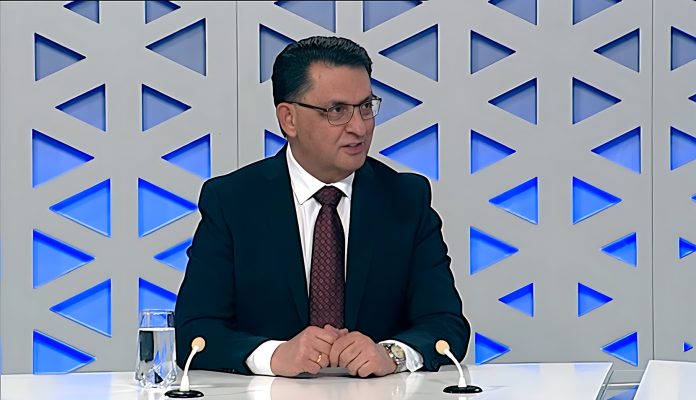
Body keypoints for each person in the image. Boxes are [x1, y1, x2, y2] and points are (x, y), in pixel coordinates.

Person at [174, 36, 470, 378]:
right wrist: (274, 355)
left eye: (366, 106)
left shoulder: (406, 199)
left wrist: (393, 354)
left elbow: (446, 324)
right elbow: (195, 332)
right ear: (289, 119)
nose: (359, 127)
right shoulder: (233, 201)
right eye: (337, 111)